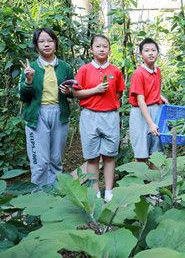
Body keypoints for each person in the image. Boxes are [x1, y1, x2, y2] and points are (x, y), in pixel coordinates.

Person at [19, 28, 74, 189]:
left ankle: (54, 198)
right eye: (42, 41)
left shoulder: (64, 67)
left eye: (50, 40)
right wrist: (28, 80)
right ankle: (38, 201)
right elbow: (23, 96)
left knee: (56, 160)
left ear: (55, 44)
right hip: (37, 115)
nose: (46, 44)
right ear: (36, 45)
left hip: (59, 113)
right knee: (40, 162)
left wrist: (69, 91)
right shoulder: (31, 68)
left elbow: (73, 90)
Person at [73, 35, 125, 202]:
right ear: (91, 50)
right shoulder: (84, 70)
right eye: (98, 46)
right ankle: (95, 192)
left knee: (109, 155)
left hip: (110, 116)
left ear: (109, 50)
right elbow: (75, 93)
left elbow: (119, 92)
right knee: (92, 156)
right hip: (89, 115)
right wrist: (95, 90)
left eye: (105, 46)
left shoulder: (115, 71)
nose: (102, 49)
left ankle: (109, 191)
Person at [129, 38, 167, 165]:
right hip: (141, 113)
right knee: (141, 152)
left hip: (156, 110)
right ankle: (141, 182)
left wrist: (160, 97)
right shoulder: (138, 73)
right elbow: (141, 101)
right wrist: (151, 124)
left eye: (153, 50)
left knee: (156, 153)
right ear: (141, 54)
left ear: (157, 53)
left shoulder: (158, 71)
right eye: (147, 50)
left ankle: (155, 183)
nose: (150, 53)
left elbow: (152, 90)